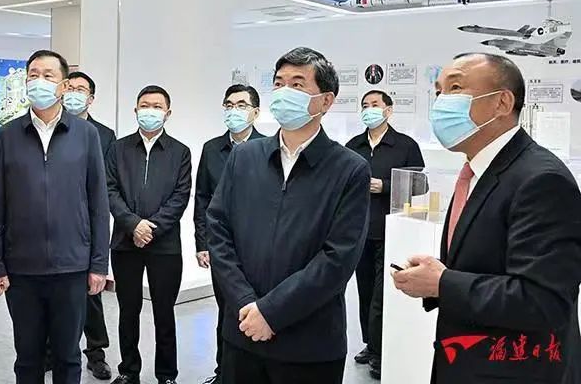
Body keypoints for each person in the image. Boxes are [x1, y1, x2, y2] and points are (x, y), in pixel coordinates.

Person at [392, 53, 581, 384]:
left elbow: (543, 300)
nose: (441, 102)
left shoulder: (541, 180)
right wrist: (435, 278)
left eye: (455, 88)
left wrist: (442, 283)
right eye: (438, 91)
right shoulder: (478, 171)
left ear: (502, 102)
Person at [207, 47, 371, 384]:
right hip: (242, 333)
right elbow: (219, 230)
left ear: (326, 101)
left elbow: (338, 258)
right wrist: (245, 302)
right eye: (279, 83)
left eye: (297, 84)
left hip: (309, 344)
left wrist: (271, 312)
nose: (284, 92)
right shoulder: (244, 158)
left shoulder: (349, 169)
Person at [0, 49, 110, 384]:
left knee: (68, 356)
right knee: (28, 357)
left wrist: (99, 264)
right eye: (33, 75)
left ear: (64, 85)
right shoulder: (7, 136)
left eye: (48, 75)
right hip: (21, 269)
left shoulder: (86, 135)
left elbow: (98, 204)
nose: (39, 81)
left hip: (72, 267)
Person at [106, 85, 192, 384]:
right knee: (128, 311)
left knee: (164, 312)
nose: (150, 111)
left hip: (165, 246)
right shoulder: (117, 149)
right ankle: (129, 371)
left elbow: (180, 197)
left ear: (168, 113)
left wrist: (150, 228)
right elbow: (110, 190)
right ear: (135, 110)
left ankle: (167, 375)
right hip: (124, 242)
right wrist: (133, 225)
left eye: (157, 106)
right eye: (145, 105)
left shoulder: (180, 152)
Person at [40, 71, 115, 380]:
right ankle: (50, 351)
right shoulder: (48, 129)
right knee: (51, 293)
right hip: (52, 226)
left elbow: (103, 185)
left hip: (85, 225)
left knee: (90, 295)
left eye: (80, 89)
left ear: (91, 98)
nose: (73, 93)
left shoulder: (103, 135)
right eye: (69, 87)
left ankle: (96, 353)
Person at [346, 90, 424, 379]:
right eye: (365, 105)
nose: (369, 110)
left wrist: (385, 186)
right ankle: (370, 343)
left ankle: (381, 351)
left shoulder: (405, 145)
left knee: (382, 295)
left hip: (390, 230)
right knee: (365, 291)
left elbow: (420, 185)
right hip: (359, 231)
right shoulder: (353, 146)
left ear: (388, 110)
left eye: (375, 105)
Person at [194, 84, 265, 384]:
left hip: (257, 247)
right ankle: (223, 372)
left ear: (255, 112)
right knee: (225, 311)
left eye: (241, 105)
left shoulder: (267, 147)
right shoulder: (212, 149)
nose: (234, 111)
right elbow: (202, 197)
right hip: (221, 246)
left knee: (254, 309)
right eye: (229, 105)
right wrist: (202, 243)